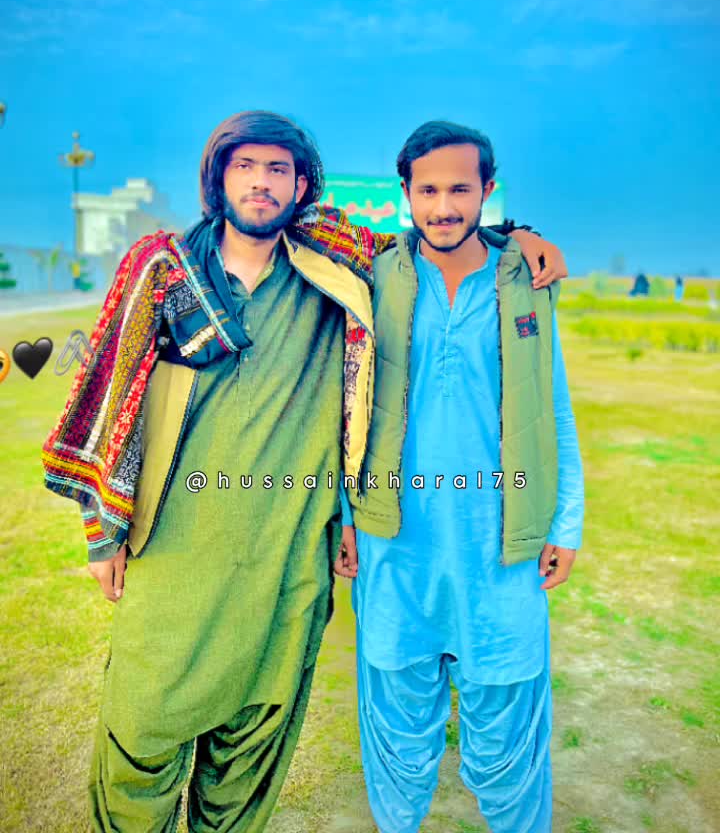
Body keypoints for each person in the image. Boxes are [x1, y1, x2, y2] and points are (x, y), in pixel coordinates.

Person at [42, 111, 566, 833]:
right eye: (245, 166)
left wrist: (519, 236)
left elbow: (440, 236)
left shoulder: (332, 265)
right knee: (142, 725)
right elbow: (109, 395)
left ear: (301, 185)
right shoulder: (165, 269)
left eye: (278, 170)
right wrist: (104, 532)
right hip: (177, 547)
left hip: (290, 549)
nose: (260, 183)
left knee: (255, 739)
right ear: (217, 177)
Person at [337, 121, 584, 833]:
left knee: (508, 733)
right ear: (405, 193)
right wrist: (346, 519)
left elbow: (553, 408)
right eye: (428, 190)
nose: (443, 207)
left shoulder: (526, 280)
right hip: (394, 544)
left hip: (500, 546)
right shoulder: (373, 275)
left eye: (460, 189)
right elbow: (345, 407)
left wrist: (566, 523)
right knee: (396, 729)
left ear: (487, 191)